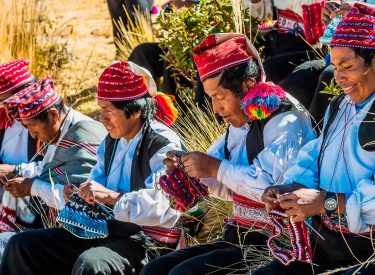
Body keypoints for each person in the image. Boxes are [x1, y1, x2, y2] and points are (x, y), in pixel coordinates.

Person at [140, 33, 316, 275]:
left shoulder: (285, 118)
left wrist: (214, 168)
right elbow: (225, 184)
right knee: (156, 270)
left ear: (248, 85)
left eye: (220, 97)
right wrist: (189, 171)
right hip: (241, 237)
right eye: (211, 97)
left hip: (276, 244)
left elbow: (267, 185)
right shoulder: (240, 121)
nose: (216, 108)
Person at [0, 61, 184, 275]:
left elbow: (163, 208)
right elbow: (97, 185)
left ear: (134, 111)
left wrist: (110, 197)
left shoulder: (163, 144)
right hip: (109, 231)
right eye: (100, 109)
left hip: (147, 241)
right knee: (22, 246)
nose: (101, 118)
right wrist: (81, 195)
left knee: (92, 264)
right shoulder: (111, 141)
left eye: (107, 110)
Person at [256, 3, 375, 274]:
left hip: (369, 251)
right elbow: (317, 155)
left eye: (347, 66)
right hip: (331, 243)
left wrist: (326, 202)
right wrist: (291, 187)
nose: (339, 77)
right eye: (335, 66)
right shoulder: (340, 106)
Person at [0, 76, 106, 257]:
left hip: (82, 236)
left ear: (54, 116)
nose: (33, 135)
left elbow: (82, 202)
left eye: (33, 126)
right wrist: (17, 172)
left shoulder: (83, 136)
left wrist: (33, 187)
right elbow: (46, 170)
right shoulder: (59, 131)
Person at [0, 59, 42, 197]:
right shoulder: (2, 118)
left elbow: (54, 168)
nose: (7, 108)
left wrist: (15, 170)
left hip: (35, 197)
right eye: (2, 102)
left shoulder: (46, 123)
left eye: (10, 101)